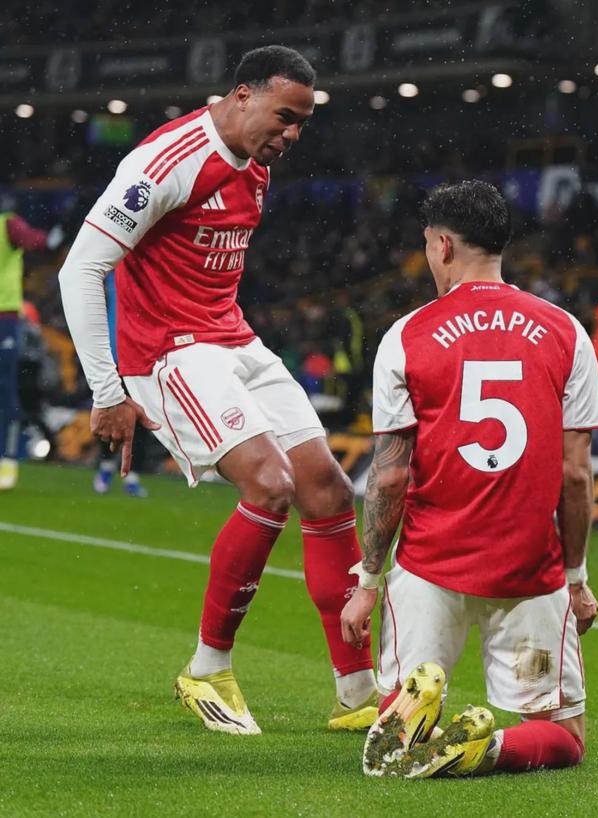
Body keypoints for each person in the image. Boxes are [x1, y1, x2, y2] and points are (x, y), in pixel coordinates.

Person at [59, 45, 377, 736]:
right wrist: (107, 391)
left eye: (303, 123)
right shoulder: (164, 162)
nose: (292, 134)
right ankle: (207, 668)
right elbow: (80, 270)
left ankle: (358, 693)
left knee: (327, 488)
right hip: (168, 352)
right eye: (285, 116)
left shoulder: (257, 163)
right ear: (242, 95)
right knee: (271, 483)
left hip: (232, 339)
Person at [341, 180, 598, 777]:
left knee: (399, 711)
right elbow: (575, 475)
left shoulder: (407, 335)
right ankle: (487, 750)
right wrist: (577, 579)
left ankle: (418, 710)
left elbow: (389, 477)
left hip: (429, 565)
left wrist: (368, 580)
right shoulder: (566, 331)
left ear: (441, 245)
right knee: (563, 736)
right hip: (529, 569)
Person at [0, 209, 63, 490]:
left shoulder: (7, 224)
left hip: (4, 317)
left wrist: (50, 239)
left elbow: (33, 240)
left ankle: (7, 460)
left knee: (5, 389)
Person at [93, 272, 149, 498]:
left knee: (141, 418)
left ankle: (131, 474)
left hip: (142, 355)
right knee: (109, 412)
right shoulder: (112, 269)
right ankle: (106, 466)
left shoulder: (149, 273)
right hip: (113, 354)